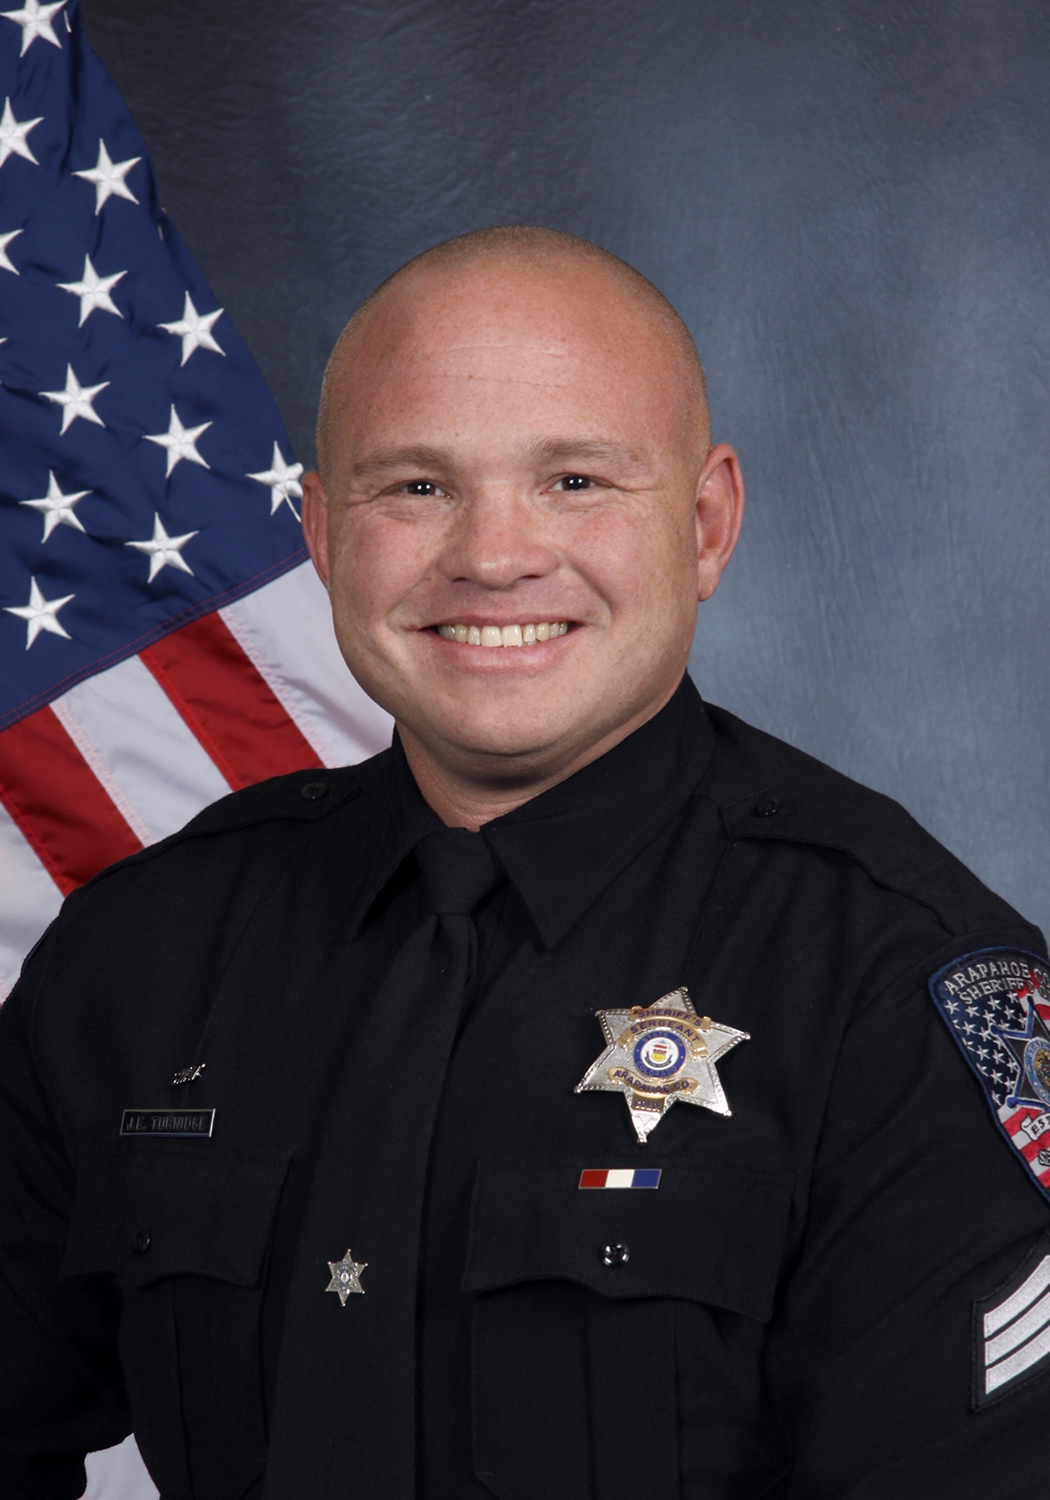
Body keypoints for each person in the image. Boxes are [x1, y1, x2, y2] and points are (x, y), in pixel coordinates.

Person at [1, 226, 1048, 1500]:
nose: (493, 558)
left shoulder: (893, 988)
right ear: (324, 537)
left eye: (575, 481)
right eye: (416, 488)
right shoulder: (146, 953)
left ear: (707, 525)